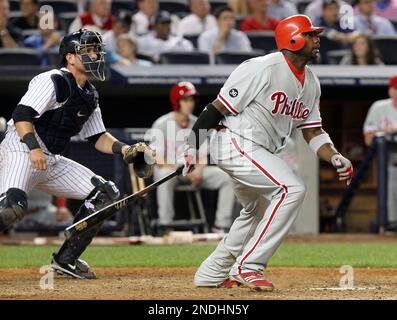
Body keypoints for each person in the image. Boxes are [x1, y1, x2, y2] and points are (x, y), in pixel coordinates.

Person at [180, 15, 353, 290]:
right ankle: (249, 266)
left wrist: (334, 155)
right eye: (310, 34)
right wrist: (191, 148)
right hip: (235, 141)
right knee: (291, 188)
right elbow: (215, 109)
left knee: (256, 210)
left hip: (261, 151)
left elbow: (313, 131)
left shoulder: (311, 83)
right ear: (293, 38)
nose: (316, 39)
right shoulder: (262, 67)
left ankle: (211, 274)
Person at [0, 29, 153, 279]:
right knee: (11, 208)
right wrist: (33, 147)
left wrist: (126, 149)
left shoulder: (90, 94)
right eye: (89, 50)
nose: (96, 55)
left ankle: (66, 260)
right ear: (70, 57)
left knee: (106, 193)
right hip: (21, 147)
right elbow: (21, 115)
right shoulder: (52, 80)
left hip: (50, 158)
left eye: (97, 50)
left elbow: (98, 137)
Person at [149, 82, 235, 233]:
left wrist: (198, 170)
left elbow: (202, 155)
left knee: (227, 177)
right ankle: (165, 225)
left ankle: (220, 226)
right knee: (162, 174)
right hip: (171, 171)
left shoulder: (197, 122)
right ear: (177, 101)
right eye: (185, 100)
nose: (190, 104)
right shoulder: (162, 124)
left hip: (192, 170)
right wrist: (182, 170)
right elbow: (158, 159)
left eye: (191, 100)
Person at [363, 75, 397, 227]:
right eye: (394, 89)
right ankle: (389, 225)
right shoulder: (379, 107)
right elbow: (368, 139)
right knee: (389, 191)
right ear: (390, 90)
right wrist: (386, 133)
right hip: (388, 161)